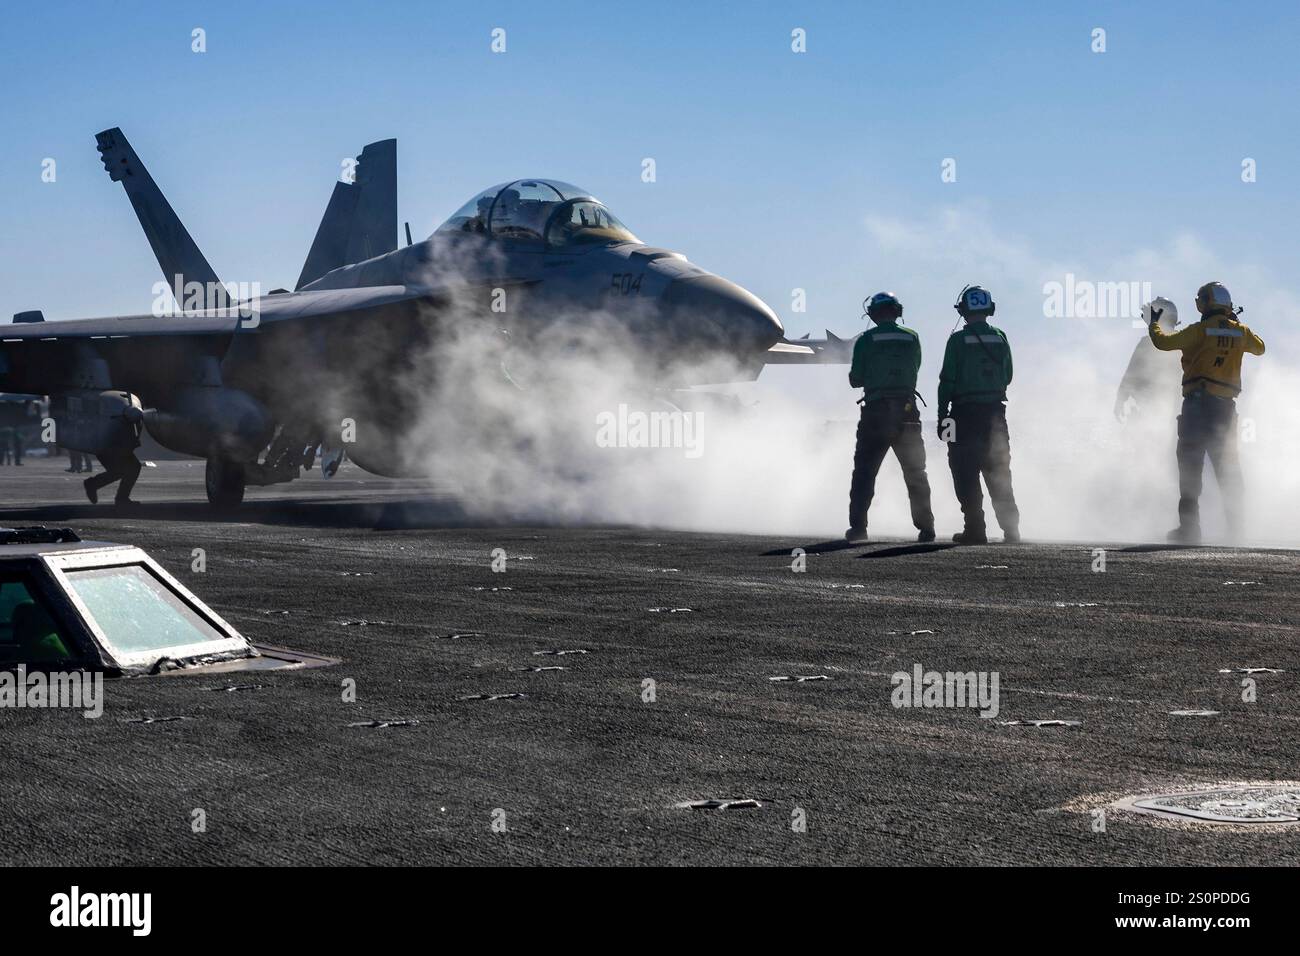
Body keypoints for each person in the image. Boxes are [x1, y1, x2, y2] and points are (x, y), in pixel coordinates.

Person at [1149, 281, 1264, 544]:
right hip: (1225, 412)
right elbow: (1260, 347)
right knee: (1229, 471)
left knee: (1190, 468)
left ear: (1205, 304)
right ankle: (1237, 531)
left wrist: (1153, 323)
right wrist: (1234, 323)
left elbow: (1162, 342)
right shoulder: (1241, 332)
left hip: (1197, 408)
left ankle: (1189, 530)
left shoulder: (1199, 331)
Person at [845, 292, 935, 543]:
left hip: (876, 411)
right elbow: (915, 367)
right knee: (916, 472)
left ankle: (859, 529)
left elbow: (856, 378)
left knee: (865, 472)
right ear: (897, 311)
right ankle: (926, 529)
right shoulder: (912, 337)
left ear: (873, 313)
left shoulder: (866, 339)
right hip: (907, 411)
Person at [937, 285, 1020, 545]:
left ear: (963, 310)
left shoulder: (957, 341)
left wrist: (942, 417)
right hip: (996, 414)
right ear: (989, 308)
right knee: (999, 472)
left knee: (964, 472)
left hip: (963, 415)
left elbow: (947, 381)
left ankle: (975, 529)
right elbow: (1008, 375)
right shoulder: (1000, 337)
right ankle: (1011, 531)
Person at [1114, 297, 1182, 423]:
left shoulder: (1147, 343)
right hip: (1174, 411)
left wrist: (1120, 399)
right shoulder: (1184, 340)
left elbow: (1131, 374)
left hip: (1150, 409)